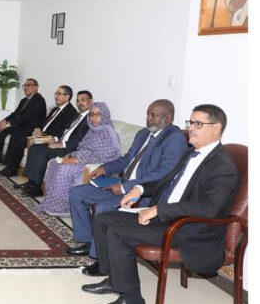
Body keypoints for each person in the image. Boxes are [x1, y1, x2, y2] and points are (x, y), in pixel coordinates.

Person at [82, 104, 239, 304]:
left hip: (188, 229)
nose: (191, 128)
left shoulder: (223, 166)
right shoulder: (191, 153)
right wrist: (139, 189)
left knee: (118, 233)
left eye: (198, 124)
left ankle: (132, 300)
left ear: (216, 128)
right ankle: (114, 279)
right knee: (103, 219)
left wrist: (158, 209)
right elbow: (165, 182)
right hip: (168, 217)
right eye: (191, 122)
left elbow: (208, 208)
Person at [66, 99, 188, 276]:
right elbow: (127, 159)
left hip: (140, 194)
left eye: (153, 115)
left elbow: (164, 174)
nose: (148, 119)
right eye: (148, 114)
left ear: (167, 118)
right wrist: (105, 168)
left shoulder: (174, 139)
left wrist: (126, 187)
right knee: (77, 193)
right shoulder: (143, 134)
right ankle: (88, 242)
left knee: (103, 208)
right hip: (122, 184)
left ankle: (102, 259)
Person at [34, 102, 121, 216]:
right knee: (54, 163)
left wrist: (76, 159)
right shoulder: (92, 130)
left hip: (98, 165)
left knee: (64, 169)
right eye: (92, 114)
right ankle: (53, 203)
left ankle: (65, 207)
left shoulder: (108, 132)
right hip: (83, 158)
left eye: (98, 114)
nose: (94, 118)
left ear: (104, 115)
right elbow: (82, 147)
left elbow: (104, 155)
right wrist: (71, 155)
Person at [17, 90, 93, 196]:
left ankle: (37, 188)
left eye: (83, 100)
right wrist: (55, 139)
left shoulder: (90, 119)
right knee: (35, 147)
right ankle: (31, 182)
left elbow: (81, 140)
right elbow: (64, 131)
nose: (80, 103)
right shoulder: (77, 116)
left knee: (40, 151)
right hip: (61, 144)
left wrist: (62, 144)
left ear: (91, 101)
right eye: (78, 101)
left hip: (70, 149)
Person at [0, 79, 47, 177]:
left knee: (17, 136)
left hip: (31, 128)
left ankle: (12, 169)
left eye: (29, 85)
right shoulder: (24, 100)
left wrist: (8, 124)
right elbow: (15, 114)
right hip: (20, 125)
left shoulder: (38, 100)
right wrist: (4, 121)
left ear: (36, 87)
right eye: (25, 85)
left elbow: (26, 117)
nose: (26, 87)